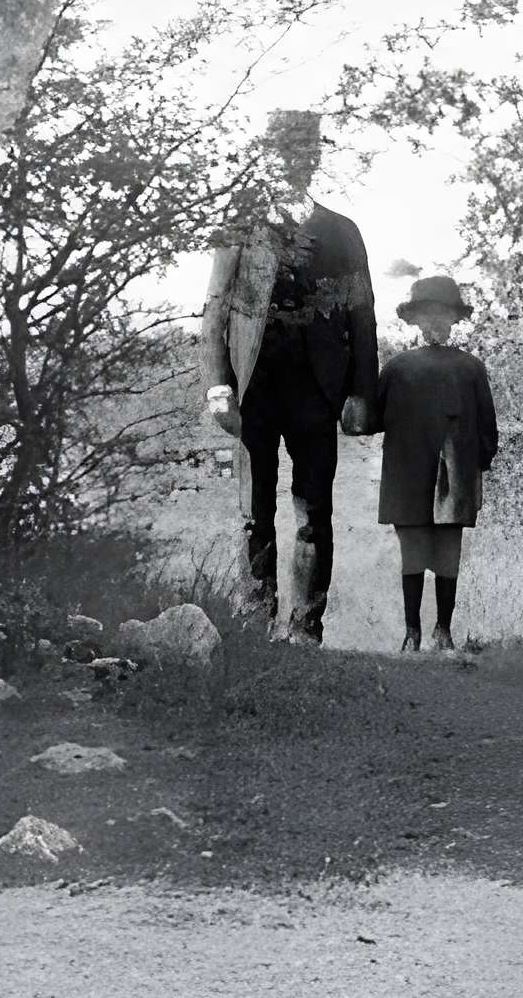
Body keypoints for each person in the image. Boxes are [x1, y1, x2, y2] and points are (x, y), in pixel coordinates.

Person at [198, 109, 378, 642]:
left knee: (312, 513)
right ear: (268, 158)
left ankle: (304, 629)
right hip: (252, 391)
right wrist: (217, 384)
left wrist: (361, 394)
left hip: (316, 393)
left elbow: (363, 316)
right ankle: (256, 622)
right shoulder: (239, 227)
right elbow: (214, 308)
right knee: (253, 514)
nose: (294, 163)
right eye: (284, 153)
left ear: (316, 158)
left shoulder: (341, 232)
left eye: (305, 153)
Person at [372, 273, 499, 654]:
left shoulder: (461, 368)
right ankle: (424, 632)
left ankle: (431, 631)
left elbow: (488, 432)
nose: (434, 320)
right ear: (416, 319)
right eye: (429, 312)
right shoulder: (405, 368)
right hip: (430, 474)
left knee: (437, 552)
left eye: (440, 312)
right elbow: (489, 436)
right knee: (426, 552)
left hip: (430, 475)